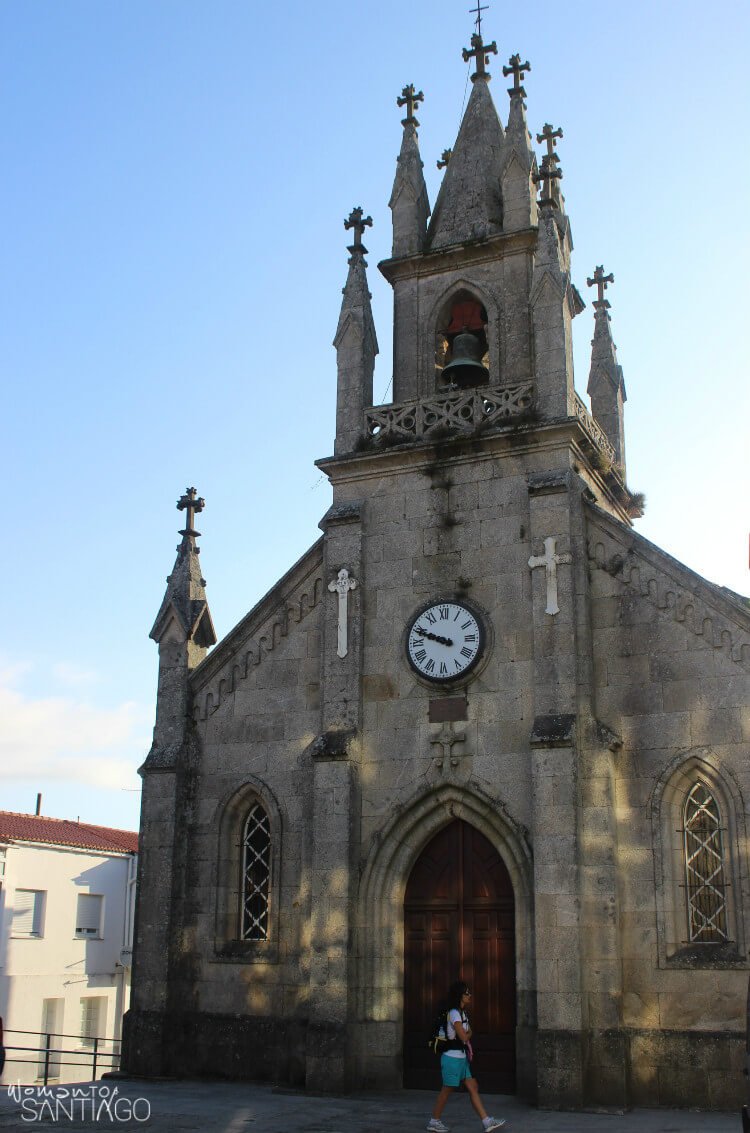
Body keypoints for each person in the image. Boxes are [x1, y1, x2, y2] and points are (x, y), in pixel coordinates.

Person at [426, 981, 505, 1133]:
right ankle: (434, 1121)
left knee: (472, 1087)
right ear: (459, 996)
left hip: (461, 1059)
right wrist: (468, 1034)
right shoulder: (455, 1013)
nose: (470, 995)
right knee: (447, 1089)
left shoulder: (462, 1013)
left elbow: (467, 1034)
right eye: (467, 993)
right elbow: (464, 1036)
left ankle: (487, 1121)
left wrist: (467, 1034)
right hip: (452, 1059)